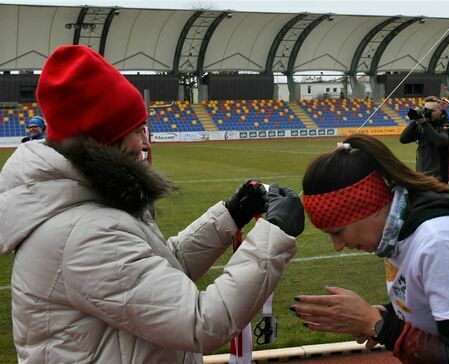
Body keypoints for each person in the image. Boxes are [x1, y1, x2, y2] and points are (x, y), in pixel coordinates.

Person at [0, 45, 304, 363]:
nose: (145, 143)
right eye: (136, 130)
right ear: (104, 141)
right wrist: (275, 235)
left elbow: (157, 272)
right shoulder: (84, 233)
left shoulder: (87, 209)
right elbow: (201, 322)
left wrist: (228, 217)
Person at [291, 134, 449, 363]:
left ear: (368, 207)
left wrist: (378, 325)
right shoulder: (399, 233)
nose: (338, 246)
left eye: (338, 231)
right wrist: (382, 315)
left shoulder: (440, 243)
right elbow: (430, 307)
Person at [399, 96, 449, 183]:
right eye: (426, 110)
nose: (428, 113)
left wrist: (425, 123)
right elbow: (403, 139)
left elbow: (440, 142)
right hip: (422, 175)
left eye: (431, 111)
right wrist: (416, 120)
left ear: (441, 111)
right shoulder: (423, 126)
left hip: (439, 178)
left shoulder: (446, 126)